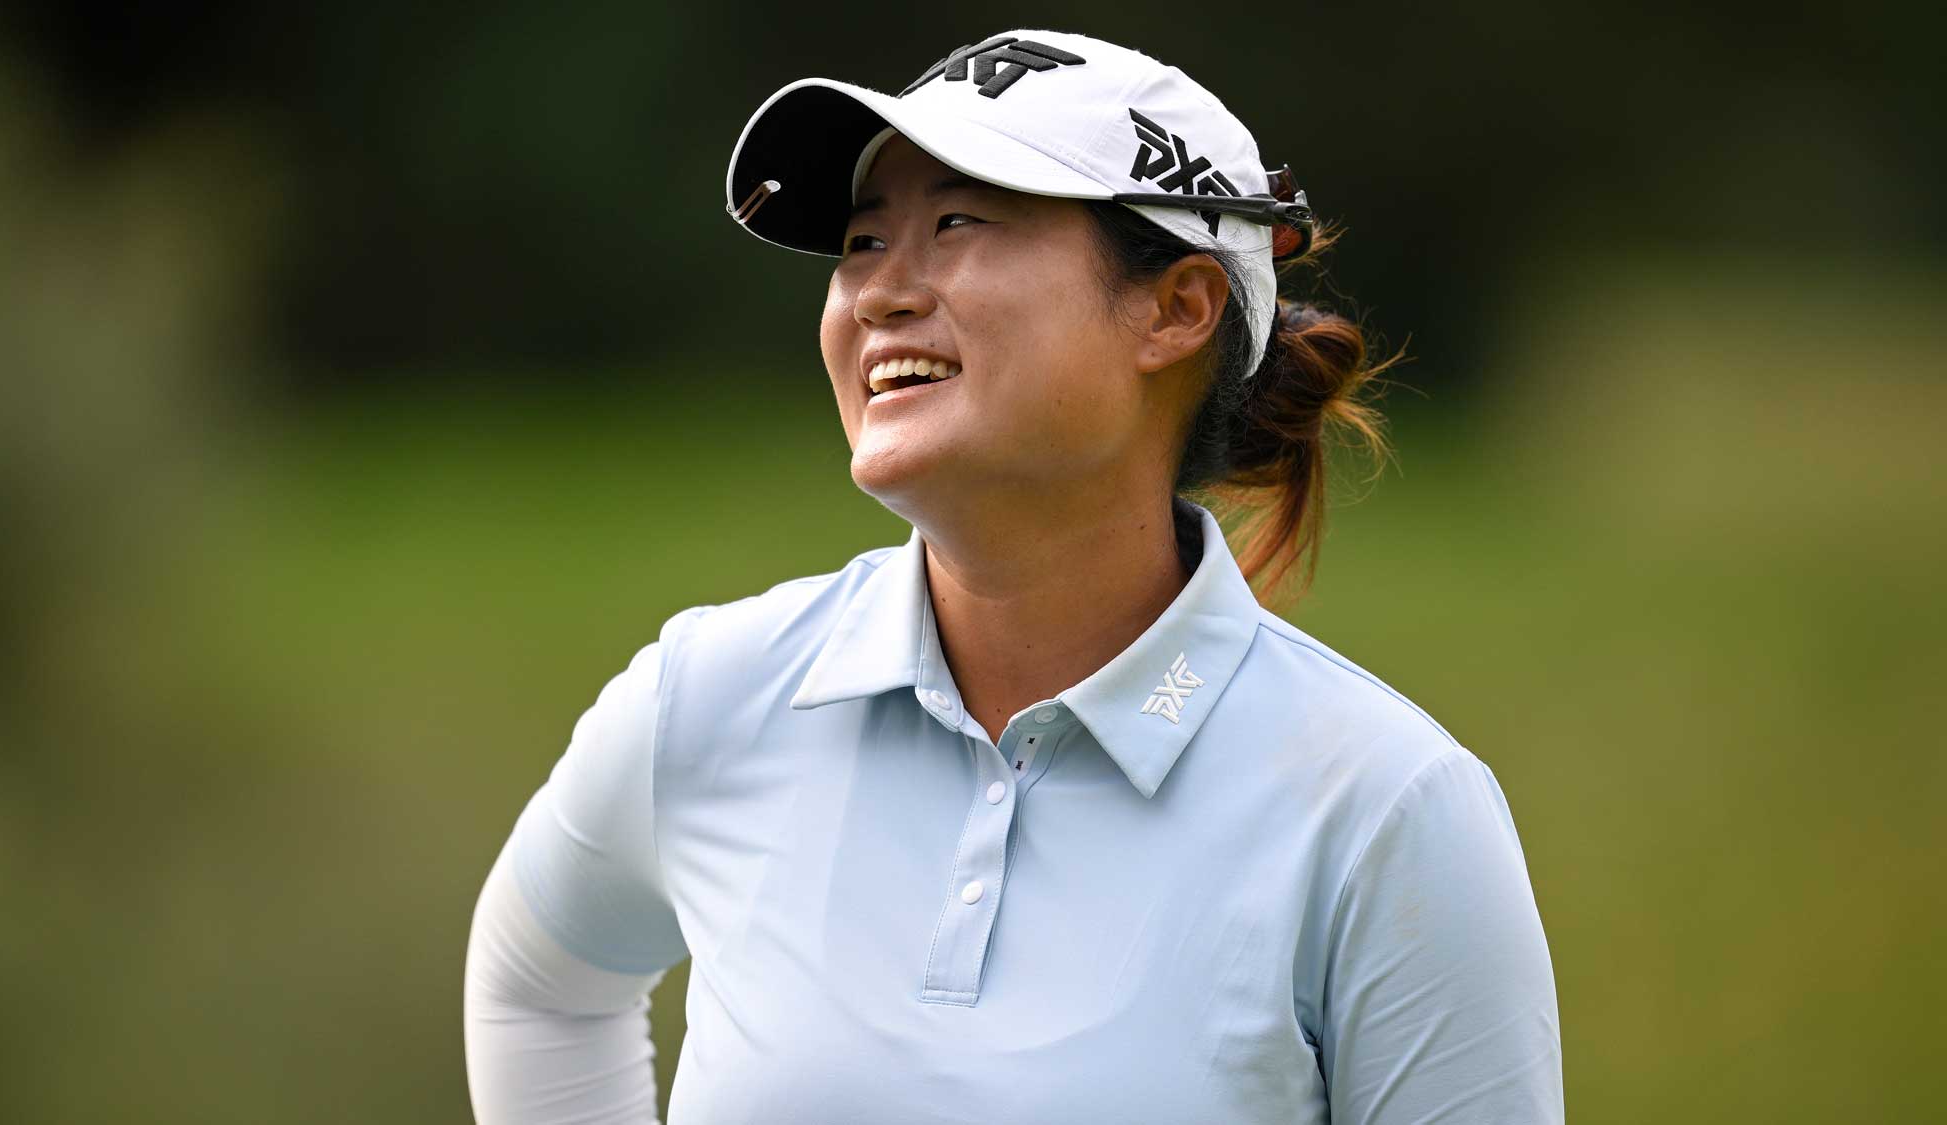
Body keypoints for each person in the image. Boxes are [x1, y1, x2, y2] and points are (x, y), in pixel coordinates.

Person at [464, 28, 1562, 1125]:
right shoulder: (710, 696)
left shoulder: (1385, 809)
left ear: (1177, 308)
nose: (877, 294)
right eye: (861, 240)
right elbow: (537, 985)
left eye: (958, 223)